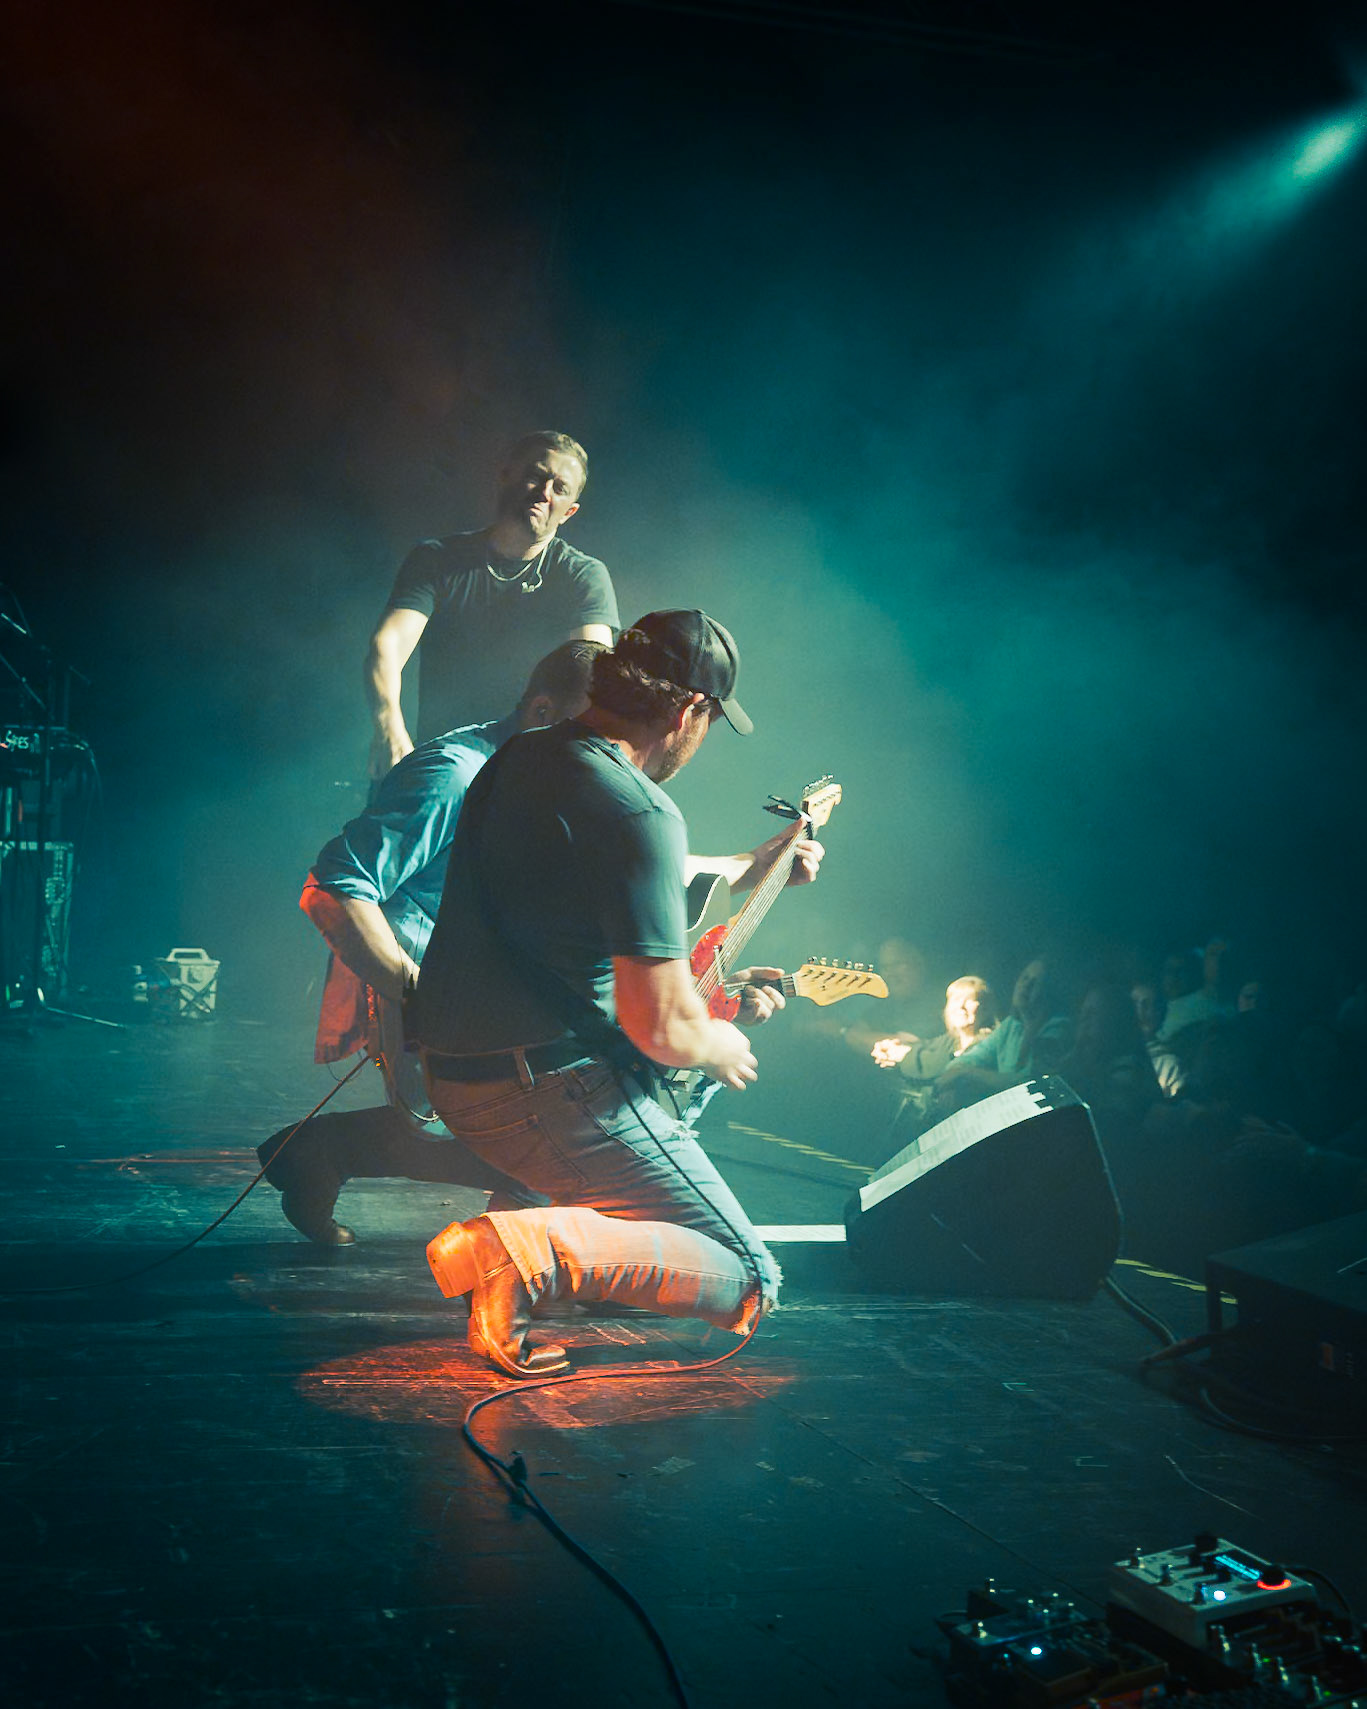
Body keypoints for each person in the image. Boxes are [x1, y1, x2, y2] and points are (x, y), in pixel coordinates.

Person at [410, 611, 825, 1378]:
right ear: (688, 710)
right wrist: (720, 1039)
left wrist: (748, 864)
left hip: (453, 1075)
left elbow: (603, 862)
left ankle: (529, 1254)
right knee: (747, 1275)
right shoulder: (640, 808)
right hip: (547, 1096)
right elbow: (661, 1025)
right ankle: (518, 1247)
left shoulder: (521, 757)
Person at [257, 642, 604, 1244]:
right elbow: (334, 886)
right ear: (544, 709)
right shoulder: (456, 775)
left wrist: (752, 865)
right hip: (436, 995)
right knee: (572, 1124)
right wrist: (417, 996)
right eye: (592, 734)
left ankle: (319, 1151)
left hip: (485, 993)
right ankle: (507, 1257)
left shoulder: (539, 774)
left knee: (560, 1122)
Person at [364, 430, 619, 778]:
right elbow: (388, 645)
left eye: (559, 488)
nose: (544, 493)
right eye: (535, 476)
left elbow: (591, 676)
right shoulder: (437, 559)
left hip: (530, 774)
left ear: (569, 511)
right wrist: (389, 729)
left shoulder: (582, 576)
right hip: (439, 765)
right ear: (504, 476)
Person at [927, 955, 1071, 1116]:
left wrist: (967, 1072)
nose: (1026, 986)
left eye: (1035, 982)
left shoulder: (1058, 1030)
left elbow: (1032, 1083)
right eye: (1024, 978)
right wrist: (951, 1083)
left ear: (1048, 990)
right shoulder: (1011, 1026)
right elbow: (965, 1060)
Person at [870, 975, 997, 1131]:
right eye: (956, 1000)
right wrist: (888, 1052)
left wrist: (900, 1055)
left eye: (970, 1000)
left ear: (986, 1007)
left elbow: (933, 1064)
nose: (961, 1007)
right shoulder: (950, 1041)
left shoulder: (992, 1042)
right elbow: (924, 1050)